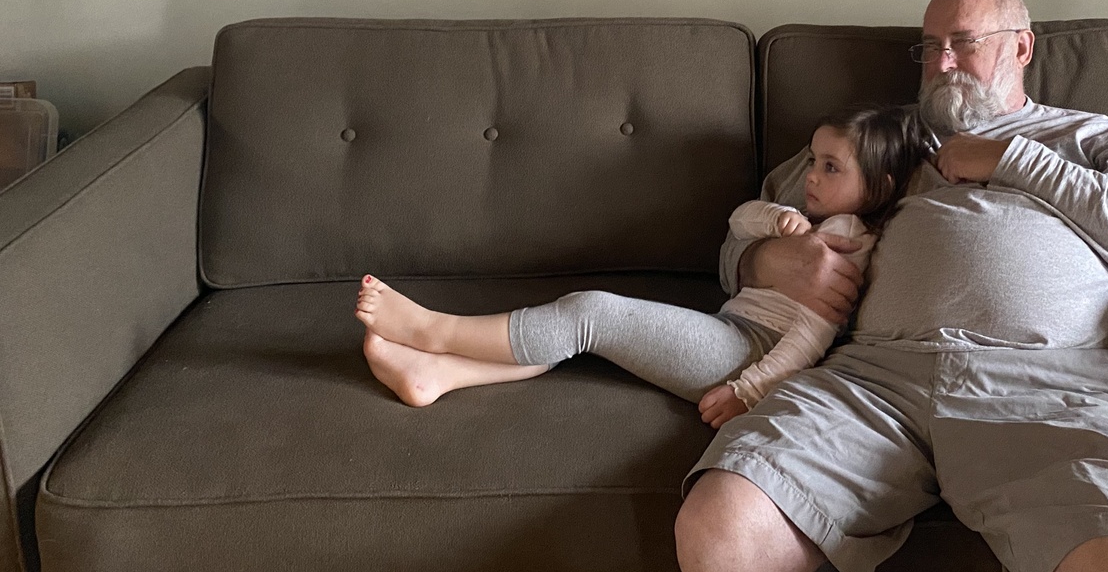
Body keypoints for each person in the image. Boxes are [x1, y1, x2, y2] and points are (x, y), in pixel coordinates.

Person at [675, 0, 1108, 572]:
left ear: (1022, 49)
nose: (943, 63)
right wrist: (770, 260)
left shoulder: (1093, 137)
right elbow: (736, 241)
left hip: (1056, 392)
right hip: (871, 385)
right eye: (930, 48)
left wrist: (1013, 160)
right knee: (719, 523)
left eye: (964, 42)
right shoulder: (878, 140)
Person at [353, 104, 925, 426]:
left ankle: (433, 328)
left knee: (591, 314)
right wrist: (776, 220)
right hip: (731, 329)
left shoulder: (849, 249)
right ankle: (441, 374)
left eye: (831, 168)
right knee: (581, 341)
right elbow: (739, 222)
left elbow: (809, 338)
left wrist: (749, 392)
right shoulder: (807, 217)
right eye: (814, 162)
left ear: (877, 186)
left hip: (746, 353)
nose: (813, 178)